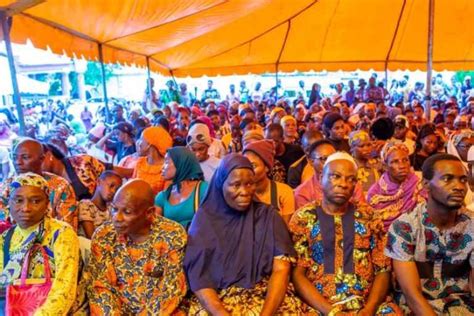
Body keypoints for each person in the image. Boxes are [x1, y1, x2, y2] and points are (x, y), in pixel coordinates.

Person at [184, 154, 303, 315]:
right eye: (236, 185)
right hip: (218, 299)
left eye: (249, 184)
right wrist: (222, 313)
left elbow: (281, 270)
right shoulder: (204, 221)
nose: (244, 192)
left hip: (265, 296)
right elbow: (199, 278)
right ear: (220, 185)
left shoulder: (268, 216)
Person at [290, 152, 401, 315]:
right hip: (318, 308)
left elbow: (382, 269)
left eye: (351, 179)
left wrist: (369, 309)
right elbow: (298, 274)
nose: (344, 184)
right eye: (336, 176)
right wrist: (331, 312)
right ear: (321, 179)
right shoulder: (303, 218)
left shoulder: (368, 216)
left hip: (365, 306)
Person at [385, 154, 474, 315]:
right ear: (426, 184)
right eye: (448, 179)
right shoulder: (404, 227)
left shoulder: (472, 225)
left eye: (463, 180)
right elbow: (412, 295)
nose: (459, 187)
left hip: (462, 306)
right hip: (416, 308)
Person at [87, 179, 187, 314]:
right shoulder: (104, 235)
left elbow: (172, 289)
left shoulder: (172, 235)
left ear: (149, 213)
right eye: (115, 209)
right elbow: (101, 287)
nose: (117, 218)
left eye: (127, 212)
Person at [0, 173, 80, 314]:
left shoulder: (60, 233)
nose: (26, 208)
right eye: (18, 200)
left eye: (35, 201)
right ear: (9, 204)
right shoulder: (6, 238)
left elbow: (65, 289)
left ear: (47, 204)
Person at [0, 138, 78, 230]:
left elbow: (67, 227)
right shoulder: (7, 186)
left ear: (41, 159)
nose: (18, 162)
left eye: (25, 157)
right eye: (14, 157)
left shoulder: (61, 186)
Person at [367, 141, 426, 232]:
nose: (402, 166)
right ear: (385, 166)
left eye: (405, 160)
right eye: (395, 161)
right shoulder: (375, 193)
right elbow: (373, 225)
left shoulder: (419, 185)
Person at [243, 140, 295, 224]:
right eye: (245, 165)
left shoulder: (284, 192)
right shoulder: (242, 194)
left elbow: (284, 230)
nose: (248, 170)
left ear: (267, 167)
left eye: (253, 166)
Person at [156, 147, 208, 228]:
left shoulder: (204, 190)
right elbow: (156, 228)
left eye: (166, 162)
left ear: (180, 163)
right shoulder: (162, 196)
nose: (162, 167)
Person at [77, 171, 122, 239]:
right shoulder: (86, 205)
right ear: (99, 182)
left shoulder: (111, 209)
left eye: (116, 190)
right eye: (111, 186)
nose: (113, 191)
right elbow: (91, 236)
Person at [133, 126, 172, 194]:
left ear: (149, 144)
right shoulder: (140, 162)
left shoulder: (167, 167)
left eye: (141, 139)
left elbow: (166, 198)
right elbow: (131, 186)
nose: (138, 143)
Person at [348, 130, 382, 194]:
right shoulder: (349, 166)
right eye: (361, 146)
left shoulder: (377, 163)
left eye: (369, 145)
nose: (366, 149)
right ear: (352, 148)